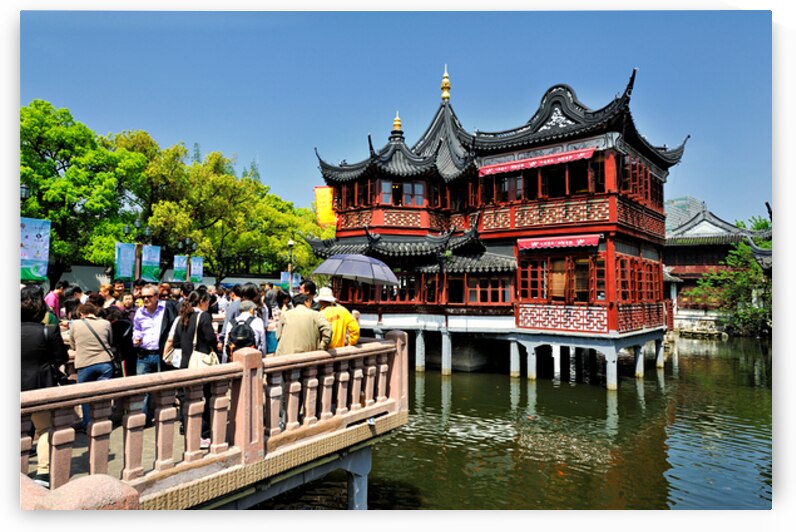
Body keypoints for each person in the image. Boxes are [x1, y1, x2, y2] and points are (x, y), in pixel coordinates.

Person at [21, 285, 70, 488]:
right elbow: (61, 357)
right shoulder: (47, 331)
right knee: (43, 429)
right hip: (39, 386)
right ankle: (42, 473)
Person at [172, 290, 220, 448]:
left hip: (185, 363)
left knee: (187, 399)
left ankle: (187, 430)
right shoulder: (203, 316)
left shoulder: (183, 316)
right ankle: (203, 434)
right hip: (200, 363)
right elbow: (210, 338)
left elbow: (176, 341)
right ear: (203, 301)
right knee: (204, 398)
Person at [132, 284, 178, 422]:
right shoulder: (139, 312)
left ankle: (165, 416)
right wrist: (135, 337)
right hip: (144, 354)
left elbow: (174, 328)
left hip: (161, 354)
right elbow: (137, 328)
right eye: (143, 296)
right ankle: (144, 418)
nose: (145, 299)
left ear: (156, 296)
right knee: (142, 387)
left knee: (164, 386)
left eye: (149, 296)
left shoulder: (167, 308)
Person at [69, 303, 115, 430]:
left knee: (85, 395)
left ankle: (88, 423)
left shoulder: (75, 324)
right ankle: (102, 421)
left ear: (81, 314)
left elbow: (73, 345)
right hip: (105, 362)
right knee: (102, 395)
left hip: (85, 363)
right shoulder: (106, 323)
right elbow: (110, 341)